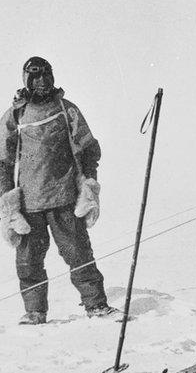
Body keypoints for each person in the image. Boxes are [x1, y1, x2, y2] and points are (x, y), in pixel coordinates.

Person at [0, 57, 118, 325]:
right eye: (34, 75)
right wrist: (7, 199)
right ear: (26, 79)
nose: (41, 81)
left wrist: (89, 185)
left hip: (64, 198)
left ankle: (96, 304)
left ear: (52, 77)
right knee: (29, 261)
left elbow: (88, 149)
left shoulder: (66, 109)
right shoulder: (15, 115)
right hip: (29, 204)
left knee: (78, 253)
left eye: (45, 75)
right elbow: (2, 161)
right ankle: (34, 311)